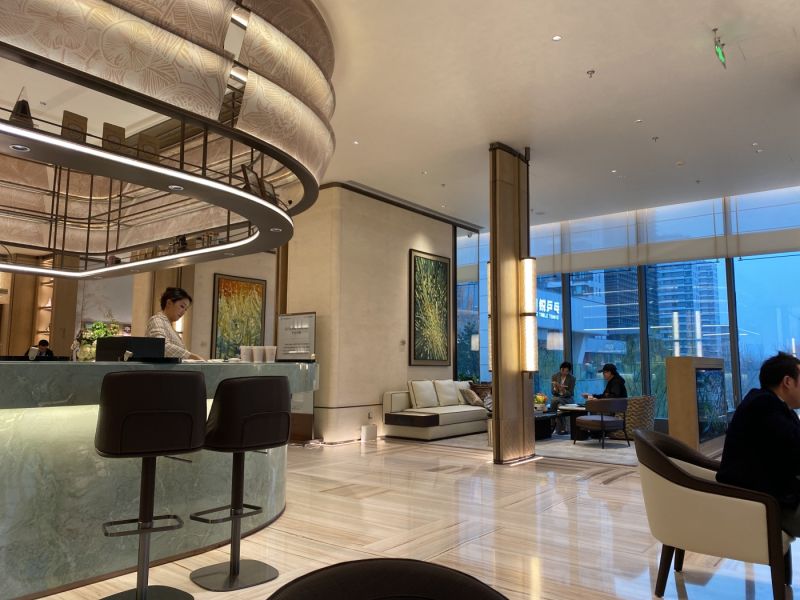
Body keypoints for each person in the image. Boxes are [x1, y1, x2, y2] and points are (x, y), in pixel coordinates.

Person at [717, 352, 800, 535]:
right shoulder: (763, 407)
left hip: (775, 495)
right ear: (787, 381)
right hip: (766, 504)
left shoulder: (773, 406)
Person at [145, 287, 203, 360]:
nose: (183, 312)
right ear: (169, 303)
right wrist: (191, 356)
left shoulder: (168, 325)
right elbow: (161, 346)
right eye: (182, 306)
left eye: (185, 309)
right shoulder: (157, 320)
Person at [550, 361, 576, 434]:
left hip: (568, 398)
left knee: (554, 400)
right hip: (558, 397)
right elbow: (552, 392)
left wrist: (564, 391)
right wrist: (555, 388)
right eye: (562, 370)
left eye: (566, 371)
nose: (564, 372)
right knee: (557, 402)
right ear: (560, 369)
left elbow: (570, 393)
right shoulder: (555, 376)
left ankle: (552, 424)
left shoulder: (572, 378)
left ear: (569, 371)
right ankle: (560, 428)